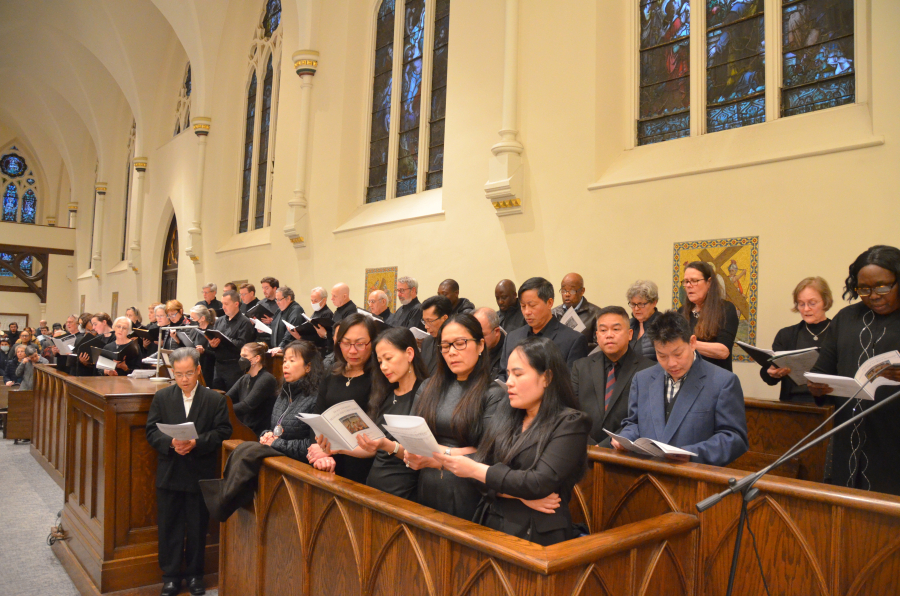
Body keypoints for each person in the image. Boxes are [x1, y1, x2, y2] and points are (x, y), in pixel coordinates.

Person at [435, 336, 590, 545]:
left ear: (547, 377)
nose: (509, 382)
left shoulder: (570, 423)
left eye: (518, 374)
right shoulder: (507, 413)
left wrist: (476, 471)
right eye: (508, 374)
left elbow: (538, 483)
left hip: (536, 535)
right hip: (491, 522)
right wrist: (518, 495)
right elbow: (479, 473)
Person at [808, 246, 900, 496]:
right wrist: (817, 386)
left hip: (893, 441)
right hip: (848, 435)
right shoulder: (847, 318)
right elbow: (822, 368)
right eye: (864, 289)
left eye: (883, 287)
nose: (874, 296)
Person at [145, 348, 232, 596]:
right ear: (172, 372)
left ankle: (195, 575)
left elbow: (223, 431)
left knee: (197, 527)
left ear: (198, 371)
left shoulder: (214, 399)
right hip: (170, 471)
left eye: (189, 373)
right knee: (169, 526)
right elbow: (151, 431)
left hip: (199, 471)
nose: (184, 379)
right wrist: (171, 443)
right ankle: (170, 577)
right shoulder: (163, 397)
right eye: (179, 374)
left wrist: (197, 442)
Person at [404, 313, 507, 521]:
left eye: (460, 343)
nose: (451, 352)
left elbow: (488, 453)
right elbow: (412, 431)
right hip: (426, 485)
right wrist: (409, 451)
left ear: (480, 346)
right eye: (445, 346)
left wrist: (438, 456)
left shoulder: (493, 393)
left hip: (468, 490)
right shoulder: (428, 386)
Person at [613, 310, 748, 467]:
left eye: (678, 354)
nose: (671, 363)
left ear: (692, 343)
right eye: (662, 356)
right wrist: (625, 438)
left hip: (693, 479)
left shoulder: (722, 382)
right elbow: (634, 422)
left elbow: (734, 438)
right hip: (647, 475)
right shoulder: (642, 379)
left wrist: (690, 453)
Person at [317, 327, 429, 500]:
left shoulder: (425, 394)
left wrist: (386, 445)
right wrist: (338, 448)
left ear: (409, 353)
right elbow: (372, 447)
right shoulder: (387, 394)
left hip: (403, 493)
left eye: (389, 358)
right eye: (380, 361)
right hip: (374, 487)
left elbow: (420, 454)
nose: (384, 367)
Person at [305, 314, 378, 484]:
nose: (352, 350)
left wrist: (329, 450)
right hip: (326, 460)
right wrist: (318, 450)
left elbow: (374, 432)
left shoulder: (378, 379)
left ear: (373, 343)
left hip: (361, 465)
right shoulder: (332, 372)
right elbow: (318, 416)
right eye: (346, 343)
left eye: (360, 344)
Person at [571, 306, 654, 445]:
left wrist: (604, 447)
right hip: (584, 450)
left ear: (630, 334)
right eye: (603, 330)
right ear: (597, 335)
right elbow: (571, 412)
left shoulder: (648, 369)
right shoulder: (580, 367)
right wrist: (591, 446)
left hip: (624, 452)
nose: (609, 335)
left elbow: (642, 419)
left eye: (616, 329)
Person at [498, 277, 589, 382]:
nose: (527, 312)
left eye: (532, 305)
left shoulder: (573, 341)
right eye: (523, 306)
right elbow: (503, 376)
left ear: (550, 303)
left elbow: (571, 386)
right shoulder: (512, 337)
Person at [760, 277, 834, 403]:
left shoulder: (837, 333)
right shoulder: (786, 335)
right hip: (793, 404)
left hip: (830, 404)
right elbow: (770, 377)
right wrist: (771, 372)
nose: (806, 309)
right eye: (801, 304)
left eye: (812, 303)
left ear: (825, 302)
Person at [259, 340, 324, 460]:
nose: (285, 365)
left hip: (299, 466)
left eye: (292, 361)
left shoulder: (316, 398)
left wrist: (276, 443)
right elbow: (277, 428)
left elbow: (313, 446)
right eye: (284, 361)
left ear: (308, 367)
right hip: (278, 458)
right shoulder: (284, 393)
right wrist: (267, 435)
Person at [679, 261, 740, 371]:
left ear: (709, 283)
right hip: (686, 378)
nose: (688, 285)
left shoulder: (725, 309)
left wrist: (685, 344)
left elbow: (723, 351)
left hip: (714, 380)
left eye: (694, 281)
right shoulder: (681, 312)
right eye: (686, 281)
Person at [207, 290, 256, 392]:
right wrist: (212, 344)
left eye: (226, 304)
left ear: (236, 304)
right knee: (216, 395)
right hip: (219, 365)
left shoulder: (244, 322)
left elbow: (243, 345)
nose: (223, 307)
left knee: (232, 397)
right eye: (222, 304)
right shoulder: (219, 321)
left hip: (234, 367)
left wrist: (224, 339)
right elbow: (212, 344)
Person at [227, 342, 278, 436]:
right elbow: (228, 397)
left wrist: (222, 409)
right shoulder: (245, 378)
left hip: (259, 432)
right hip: (245, 427)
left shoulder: (266, 379)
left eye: (245, 356)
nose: (241, 359)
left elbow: (246, 406)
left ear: (257, 358)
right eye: (240, 356)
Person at [552, 273, 603, 349]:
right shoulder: (553, 313)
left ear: (582, 291)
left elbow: (599, 345)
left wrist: (576, 345)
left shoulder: (596, 314)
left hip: (585, 359)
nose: (567, 294)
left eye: (572, 291)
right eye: (563, 290)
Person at [626, 280, 662, 362]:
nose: (636, 308)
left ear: (654, 303)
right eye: (633, 304)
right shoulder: (628, 324)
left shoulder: (664, 325)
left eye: (641, 304)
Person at [267, 286, 307, 353]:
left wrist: (282, 346)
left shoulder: (296, 310)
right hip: (278, 349)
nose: (277, 302)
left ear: (288, 298)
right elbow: (273, 326)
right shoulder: (279, 311)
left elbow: (290, 331)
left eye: (279, 299)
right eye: (276, 299)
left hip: (292, 351)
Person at [419, 295, 452, 375]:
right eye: (424, 321)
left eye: (429, 321)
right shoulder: (427, 342)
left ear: (445, 318)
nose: (426, 326)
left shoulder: (455, 345)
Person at [188, 305, 216, 386]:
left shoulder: (212, 332)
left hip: (207, 368)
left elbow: (216, 353)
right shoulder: (194, 330)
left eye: (193, 318)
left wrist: (204, 351)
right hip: (195, 366)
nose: (192, 320)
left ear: (202, 318)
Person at [473, 307, 504, 379]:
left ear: (496, 331)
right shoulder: (471, 347)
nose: (478, 340)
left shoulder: (510, 351)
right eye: (475, 335)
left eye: (482, 335)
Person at [306, 286, 334, 357]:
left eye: (315, 300)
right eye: (311, 300)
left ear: (324, 300)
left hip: (321, 351)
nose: (313, 303)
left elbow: (323, 337)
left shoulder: (327, 313)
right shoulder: (316, 312)